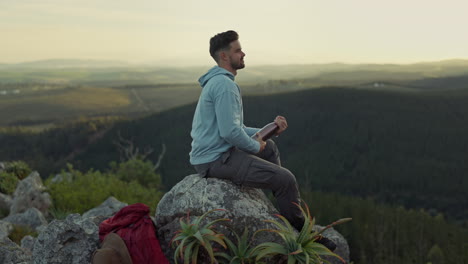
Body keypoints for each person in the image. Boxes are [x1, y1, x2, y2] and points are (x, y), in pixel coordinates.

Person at [189, 30, 306, 232]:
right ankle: (301, 232)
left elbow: (237, 128)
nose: (243, 54)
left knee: (268, 147)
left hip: (217, 154)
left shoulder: (219, 82)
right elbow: (230, 133)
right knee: (286, 179)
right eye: (238, 51)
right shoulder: (224, 86)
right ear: (224, 56)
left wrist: (270, 129)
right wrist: (253, 144)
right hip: (214, 160)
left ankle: (278, 203)